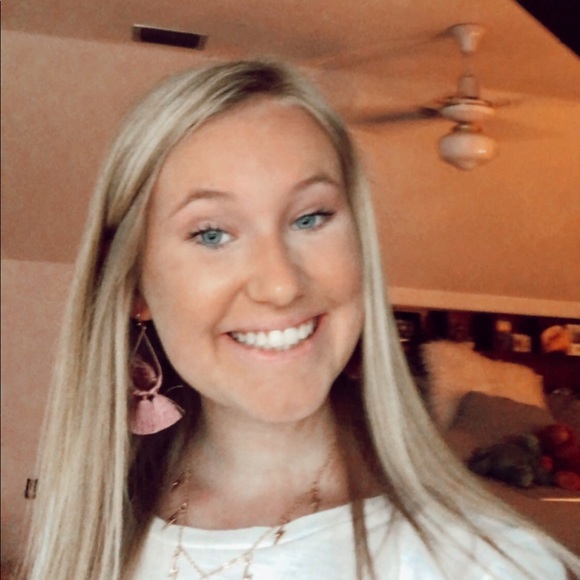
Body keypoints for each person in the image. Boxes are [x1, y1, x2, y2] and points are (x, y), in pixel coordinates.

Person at [24, 60, 580, 580]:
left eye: (310, 218)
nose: (281, 284)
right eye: (212, 233)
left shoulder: (485, 563)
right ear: (133, 286)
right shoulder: (92, 538)